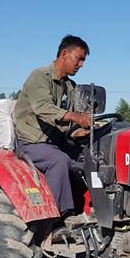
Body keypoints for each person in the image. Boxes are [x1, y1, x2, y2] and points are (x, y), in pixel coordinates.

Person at [13, 35, 92, 217]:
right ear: (64, 54)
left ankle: (93, 212)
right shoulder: (39, 76)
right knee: (59, 161)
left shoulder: (70, 87)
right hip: (31, 142)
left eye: (83, 61)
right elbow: (43, 108)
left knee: (90, 160)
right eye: (78, 59)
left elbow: (69, 123)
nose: (81, 65)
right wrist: (76, 117)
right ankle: (54, 218)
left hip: (56, 142)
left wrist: (81, 130)